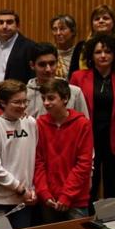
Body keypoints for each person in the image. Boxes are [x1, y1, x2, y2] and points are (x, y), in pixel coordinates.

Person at [70, 34, 115, 204]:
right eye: (98, 52)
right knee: (89, 187)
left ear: (114, 55)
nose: (103, 56)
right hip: (88, 139)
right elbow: (71, 112)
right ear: (91, 56)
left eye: (107, 52)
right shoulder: (78, 77)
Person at [34, 78, 94, 221]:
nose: (46, 103)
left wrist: (67, 195)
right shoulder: (39, 124)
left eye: (51, 98)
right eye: (43, 98)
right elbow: (38, 162)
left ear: (65, 98)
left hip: (76, 198)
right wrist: (44, 193)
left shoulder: (82, 124)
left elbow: (84, 164)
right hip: (49, 199)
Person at [0, 80, 38, 228]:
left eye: (24, 101)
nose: (22, 106)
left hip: (25, 199)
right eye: (16, 102)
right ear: (3, 102)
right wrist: (19, 188)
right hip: (0, 200)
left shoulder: (31, 123)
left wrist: (31, 189)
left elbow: (34, 157)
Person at [25, 43, 90, 119]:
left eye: (52, 63)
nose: (48, 69)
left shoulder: (74, 92)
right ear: (32, 65)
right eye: (42, 64)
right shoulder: (24, 95)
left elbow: (84, 124)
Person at [0, 9, 38, 92]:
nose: (4, 26)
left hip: (19, 102)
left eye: (9, 22)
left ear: (17, 25)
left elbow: (33, 77)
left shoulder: (29, 47)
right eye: (1, 22)